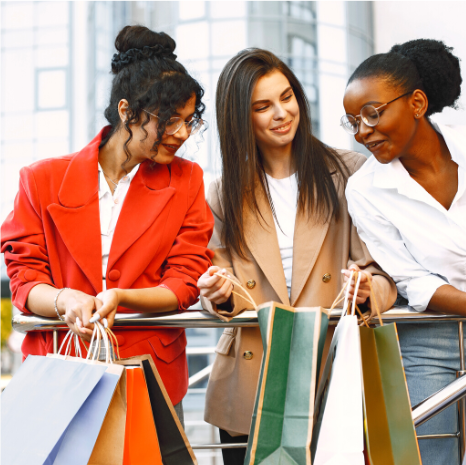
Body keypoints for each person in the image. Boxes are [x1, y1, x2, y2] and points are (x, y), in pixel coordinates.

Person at [1, 25, 214, 419]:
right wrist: (65, 299)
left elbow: (185, 282)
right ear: (126, 111)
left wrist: (122, 297)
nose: (182, 133)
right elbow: (25, 280)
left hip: (152, 376)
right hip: (61, 373)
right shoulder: (41, 180)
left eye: (188, 120)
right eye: (169, 121)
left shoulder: (187, 180)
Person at [197, 48, 397, 464]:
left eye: (286, 97)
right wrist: (217, 292)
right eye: (262, 106)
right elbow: (219, 282)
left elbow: (382, 270)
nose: (281, 113)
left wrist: (365, 289)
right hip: (252, 378)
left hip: (330, 369)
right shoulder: (222, 192)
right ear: (240, 118)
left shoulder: (346, 172)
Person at [342, 38, 466, 465]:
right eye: (353, 122)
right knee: (431, 458)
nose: (362, 132)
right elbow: (412, 280)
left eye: (372, 114)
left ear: (416, 103)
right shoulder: (364, 190)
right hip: (432, 339)